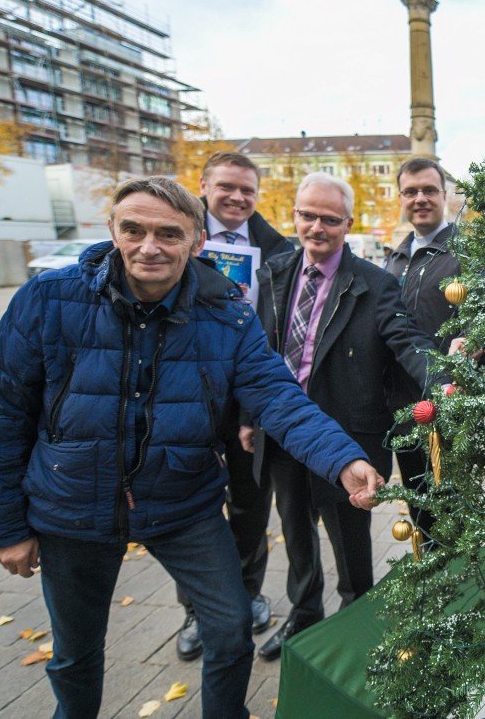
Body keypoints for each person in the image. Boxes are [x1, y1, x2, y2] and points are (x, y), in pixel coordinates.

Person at [0, 176, 382, 719]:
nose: (149, 246)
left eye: (169, 233)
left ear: (196, 242)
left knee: (230, 628)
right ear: (113, 230)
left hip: (182, 500)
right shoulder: (48, 300)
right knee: (74, 655)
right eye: (134, 229)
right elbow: (1, 417)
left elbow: (279, 397)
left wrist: (344, 458)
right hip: (72, 504)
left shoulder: (228, 315)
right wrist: (6, 527)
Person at [251, 173, 433, 661]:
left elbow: (407, 342)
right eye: (307, 215)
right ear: (294, 216)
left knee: (350, 545)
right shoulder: (273, 274)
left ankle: (358, 624)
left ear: (348, 224)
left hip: (348, 441)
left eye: (329, 219)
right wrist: (251, 417)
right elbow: (257, 352)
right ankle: (304, 615)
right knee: (295, 531)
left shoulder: (376, 284)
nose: (316, 227)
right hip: (282, 433)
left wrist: (445, 376)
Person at [175, 150, 294, 662]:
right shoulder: (176, 236)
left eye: (247, 190)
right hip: (184, 396)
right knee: (189, 505)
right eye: (226, 187)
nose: (237, 198)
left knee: (249, 503)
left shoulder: (278, 251)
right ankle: (198, 609)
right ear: (203, 186)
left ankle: (248, 593)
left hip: (247, 400)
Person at [385, 157, 461, 541]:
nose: (420, 198)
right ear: (401, 197)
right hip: (403, 411)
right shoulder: (394, 259)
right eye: (411, 191)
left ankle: (459, 590)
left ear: (444, 195)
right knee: (420, 512)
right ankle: (432, 585)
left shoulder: (466, 255)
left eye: (429, 190)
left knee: (454, 514)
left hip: (448, 411)